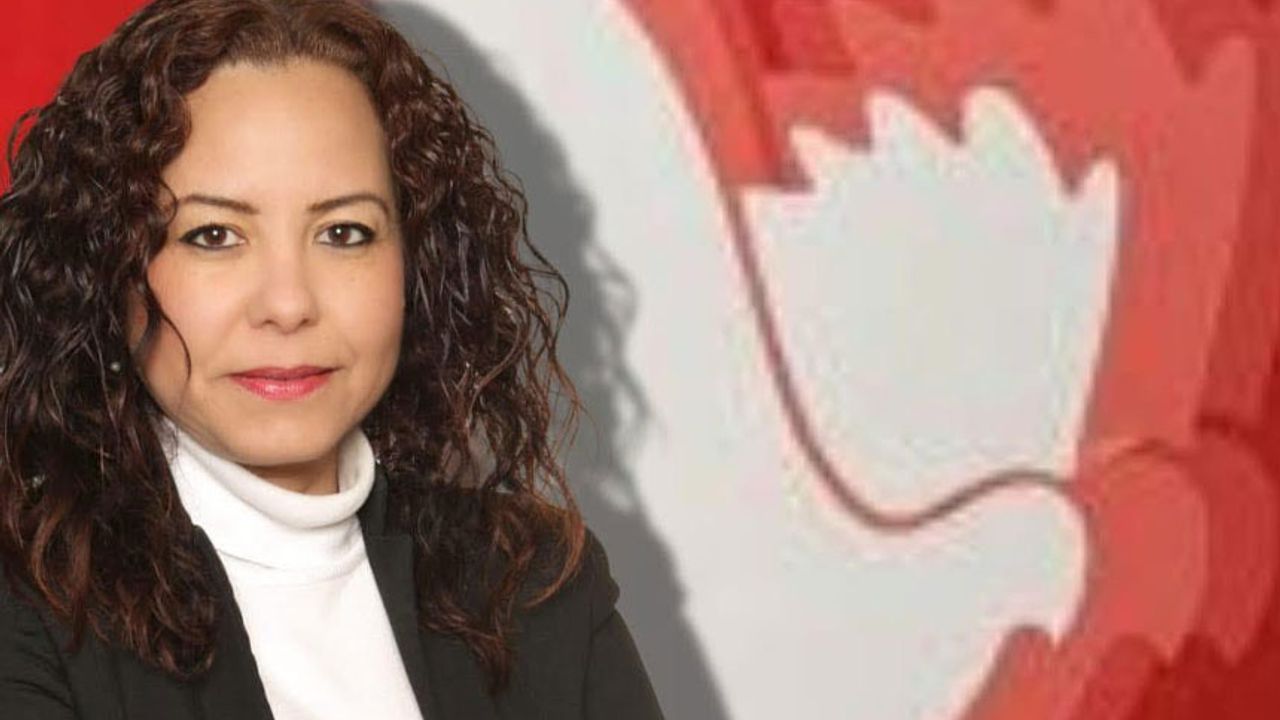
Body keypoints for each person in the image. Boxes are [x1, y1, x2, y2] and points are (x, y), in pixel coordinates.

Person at [0, 0, 665, 718]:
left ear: (416, 262)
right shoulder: (28, 613)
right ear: (109, 266)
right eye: (214, 235)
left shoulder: (534, 585)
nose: (288, 305)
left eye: (344, 232)